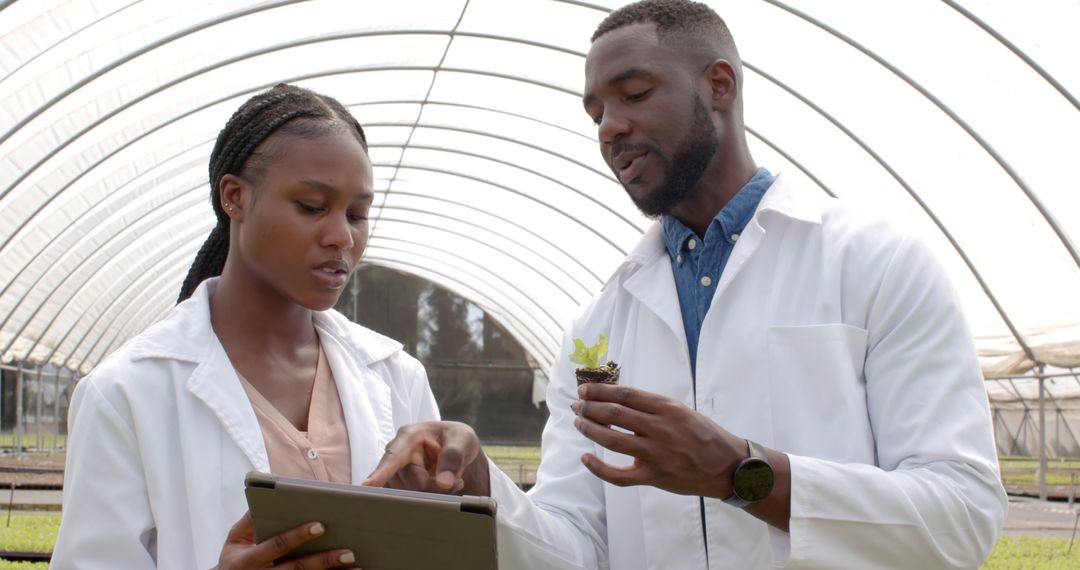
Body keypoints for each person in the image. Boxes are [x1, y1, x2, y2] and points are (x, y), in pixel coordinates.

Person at [365, 1, 1008, 568]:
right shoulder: (597, 328)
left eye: (634, 93)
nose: (609, 126)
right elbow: (576, 548)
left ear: (719, 85)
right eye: (596, 110)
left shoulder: (876, 261)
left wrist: (740, 473)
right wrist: (484, 486)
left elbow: (962, 518)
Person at [53, 83, 443, 569]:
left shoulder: (397, 377)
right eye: (312, 206)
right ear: (234, 197)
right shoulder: (128, 392)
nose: (342, 235)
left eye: (357, 214)